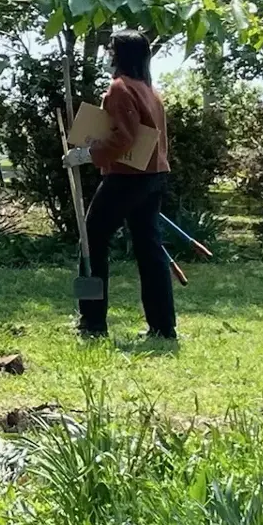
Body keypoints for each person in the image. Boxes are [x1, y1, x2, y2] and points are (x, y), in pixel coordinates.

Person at [60, 30, 176, 342]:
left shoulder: (120, 89)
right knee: (150, 249)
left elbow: (123, 138)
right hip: (153, 176)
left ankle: (92, 321)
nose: (108, 53)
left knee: (90, 241)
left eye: (112, 49)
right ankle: (163, 327)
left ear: (120, 54)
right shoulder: (150, 91)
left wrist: (85, 154)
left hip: (127, 178)